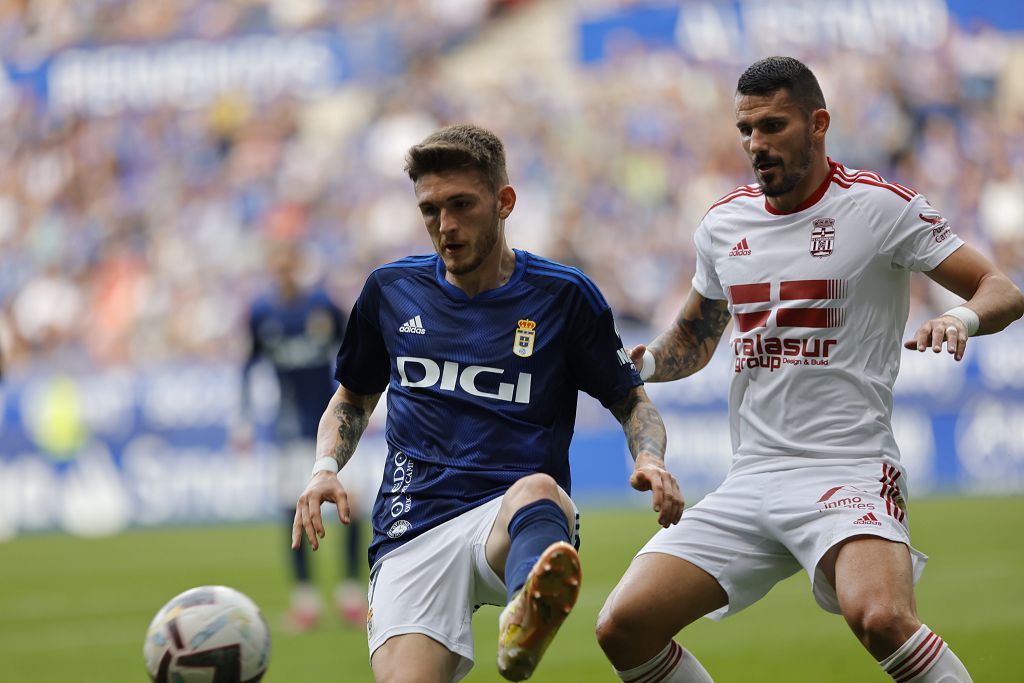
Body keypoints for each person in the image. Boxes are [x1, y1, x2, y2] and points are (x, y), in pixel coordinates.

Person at [595, 56, 1024, 683]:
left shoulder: (880, 208)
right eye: (746, 130)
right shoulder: (723, 224)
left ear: (818, 123)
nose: (756, 145)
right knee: (621, 628)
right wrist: (652, 359)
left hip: (848, 465)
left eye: (773, 126)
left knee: (879, 617)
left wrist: (960, 320)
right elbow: (696, 332)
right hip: (753, 475)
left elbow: (1000, 287)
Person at [291, 123, 682, 683]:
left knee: (539, 490)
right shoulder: (390, 291)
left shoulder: (563, 297)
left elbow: (633, 403)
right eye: (430, 210)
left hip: (512, 522)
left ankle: (528, 610)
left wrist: (649, 458)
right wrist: (324, 467)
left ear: (504, 203)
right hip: (413, 526)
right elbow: (351, 399)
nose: (445, 226)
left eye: (461, 205)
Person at [238, 241, 369, 631]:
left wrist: (363, 396)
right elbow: (249, 364)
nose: (283, 272)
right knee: (291, 509)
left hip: (333, 425)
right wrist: (243, 420)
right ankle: (305, 599)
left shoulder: (322, 306)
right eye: (276, 265)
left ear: (297, 265)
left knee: (353, 505)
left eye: (288, 263)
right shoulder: (262, 313)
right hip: (290, 428)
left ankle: (350, 594)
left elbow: (355, 349)